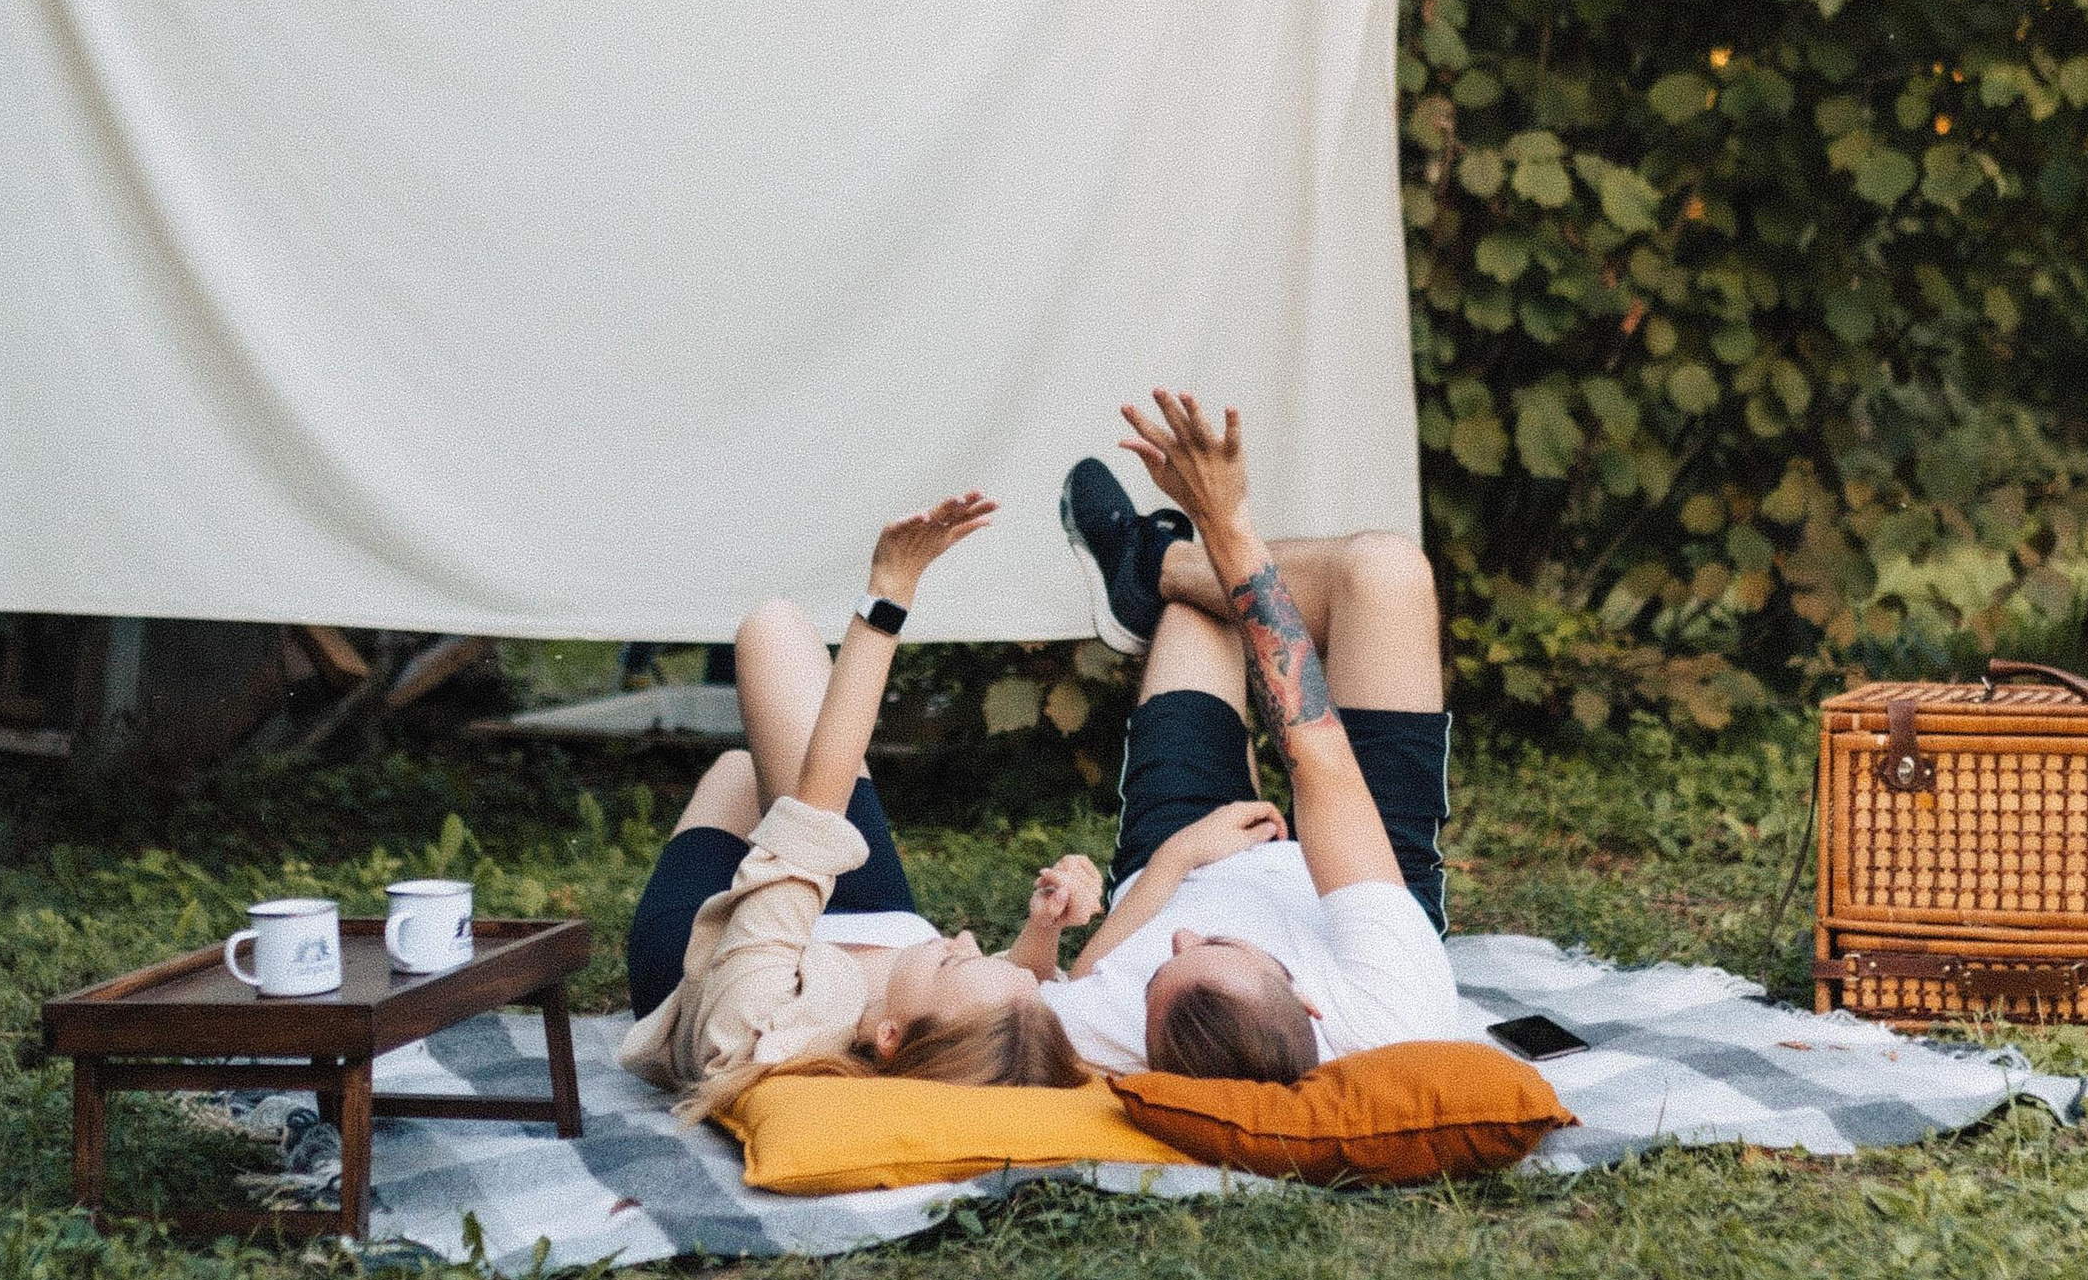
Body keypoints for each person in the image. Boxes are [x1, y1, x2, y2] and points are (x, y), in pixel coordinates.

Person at [620, 493, 1099, 1118]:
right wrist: (1041, 938)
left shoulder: (758, 1024)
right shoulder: (948, 1033)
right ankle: (762, 778)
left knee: (769, 648)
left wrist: (888, 596)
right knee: (749, 764)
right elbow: (1010, 1005)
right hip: (868, 925)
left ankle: (754, 788)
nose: (965, 935)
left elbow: (815, 807)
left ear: (889, 1038)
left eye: (957, 962)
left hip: (695, 958)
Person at [1046, 394, 1462, 1081]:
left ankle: (1163, 574)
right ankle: (1165, 561)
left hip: (1185, 854)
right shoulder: (1392, 1014)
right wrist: (1224, 522)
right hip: (1374, 875)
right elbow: (1318, 759)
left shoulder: (1126, 1030)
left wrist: (1175, 862)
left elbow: (1083, 978)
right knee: (1388, 571)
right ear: (1307, 1001)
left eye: (1156, 972)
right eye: (1211, 947)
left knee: (1195, 617)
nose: (1177, 941)